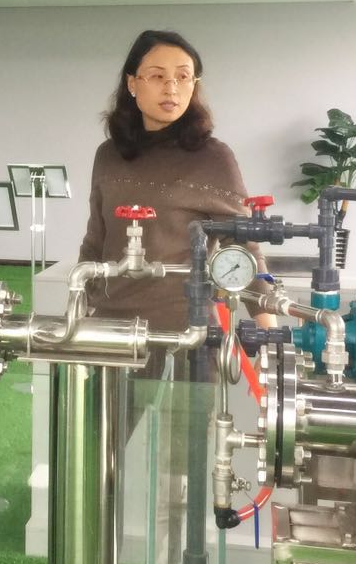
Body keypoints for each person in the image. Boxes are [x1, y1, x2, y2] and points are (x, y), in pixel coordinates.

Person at [78, 28, 265, 334]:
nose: (171, 88)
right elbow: (95, 243)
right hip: (110, 331)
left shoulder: (212, 158)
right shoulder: (109, 155)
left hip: (185, 334)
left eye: (183, 76)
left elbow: (242, 247)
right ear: (132, 83)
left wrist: (269, 334)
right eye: (157, 76)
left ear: (194, 84)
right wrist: (77, 316)